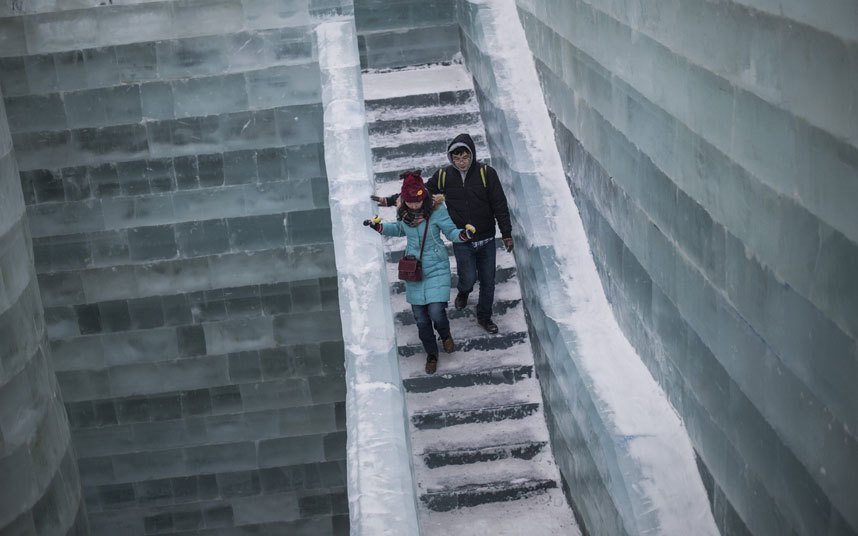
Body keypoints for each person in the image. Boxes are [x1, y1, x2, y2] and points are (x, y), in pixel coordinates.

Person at [372, 133, 512, 334]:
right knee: (468, 277)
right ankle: (464, 291)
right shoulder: (444, 176)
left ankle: (484, 316)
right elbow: (420, 193)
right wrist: (391, 199)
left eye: (465, 157)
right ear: (451, 159)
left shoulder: (486, 173)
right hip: (461, 239)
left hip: (486, 238)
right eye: (457, 158)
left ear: (472, 155)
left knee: (488, 280)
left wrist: (506, 233)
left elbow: (499, 204)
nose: (461, 162)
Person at [364, 171, 475, 374]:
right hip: (413, 270)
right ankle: (431, 354)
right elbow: (398, 229)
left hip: (436, 267)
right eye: (409, 201)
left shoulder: (437, 211)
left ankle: (445, 334)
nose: (414, 205)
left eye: (417, 201)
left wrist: (462, 234)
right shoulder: (404, 214)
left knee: (436, 312)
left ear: (423, 195)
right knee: (422, 320)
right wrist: (379, 227)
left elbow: (450, 232)